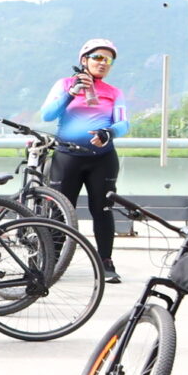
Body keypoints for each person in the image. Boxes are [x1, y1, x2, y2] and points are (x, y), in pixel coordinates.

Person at [40, 37, 129, 283]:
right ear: (84, 60)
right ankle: (52, 259)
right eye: (97, 58)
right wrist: (71, 93)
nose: (103, 63)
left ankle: (105, 262)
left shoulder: (113, 92)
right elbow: (47, 114)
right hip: (67, 157)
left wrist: (108, 133)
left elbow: (123, 123)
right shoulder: (65, 84)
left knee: (102, 210)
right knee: (59, 211)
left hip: (102, 159)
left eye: (108, 60)